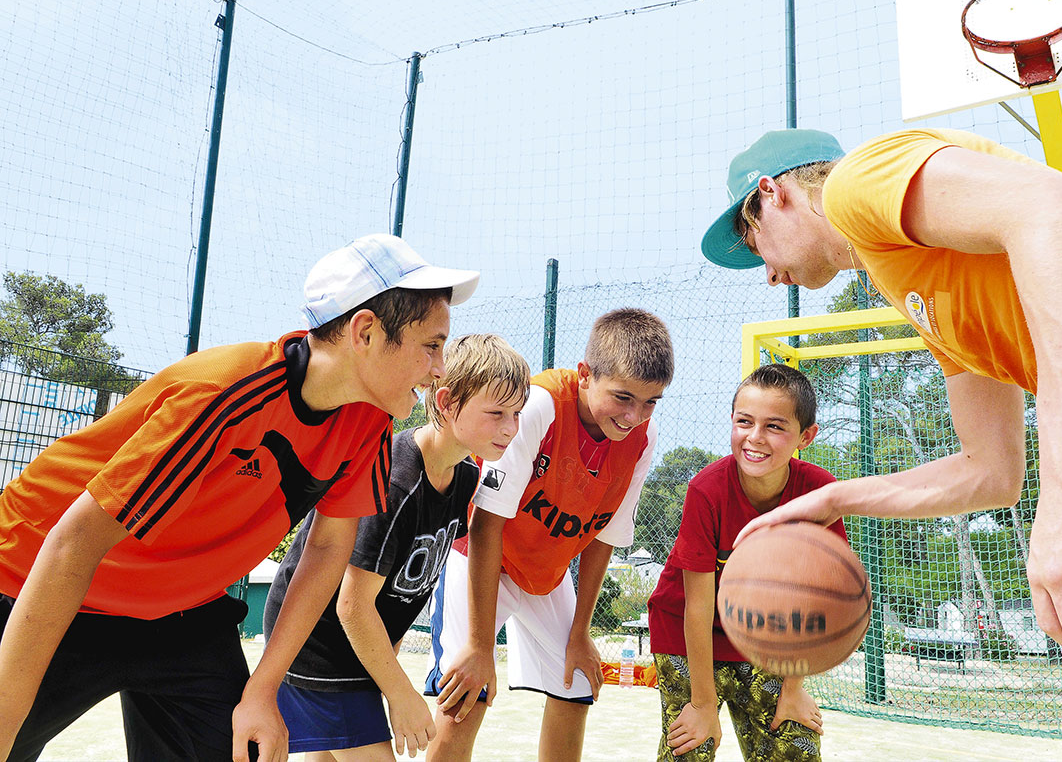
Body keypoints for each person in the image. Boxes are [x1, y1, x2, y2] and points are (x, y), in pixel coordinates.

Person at [701, 127, 1062, 759]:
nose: (767, 274)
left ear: (773, 194)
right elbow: (990, 471)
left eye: (753, 242)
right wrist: (835, 501)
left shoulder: (856, 185)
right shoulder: (913, 279)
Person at [0, 233, 478, 762]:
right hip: (41, 579)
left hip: (181, 610)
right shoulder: (227, 391)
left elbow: (325, 551)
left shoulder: (368, 423)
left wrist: (262, 690)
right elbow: (73, 543)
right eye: (431, 345)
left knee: (240, 749)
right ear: (365, 331)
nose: (440, 367)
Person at [423, 308, 675, 762]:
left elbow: (605, 538)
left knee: (576, 684)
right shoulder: (539, 405)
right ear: (584, 375)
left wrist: (580, 632)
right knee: (467, 696)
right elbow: (486, 523)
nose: (635, 415)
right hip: (480, 559)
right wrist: (481, 647)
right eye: (622, 396)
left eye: (651, 401)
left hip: (545, 573)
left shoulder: (642, 437)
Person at [263, 333, 529, 761]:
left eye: (516, 413)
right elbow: (352, 604)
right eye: (496, 413)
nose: (511, 428)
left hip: (354, 649)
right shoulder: (395, 479)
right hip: (317, 646)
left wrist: (385, 673)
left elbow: (400, 593)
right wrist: (399, 693)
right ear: (444, 402)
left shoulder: (463, 478)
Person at [648, 363, 843, 762]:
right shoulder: (707, 490)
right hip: (687, 634)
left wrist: (793, 689)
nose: (755, 438)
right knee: (691, 746)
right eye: (744, 422)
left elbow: (812, 601)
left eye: (774, 426)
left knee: (794, 745)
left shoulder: (820, 493)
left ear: (806, 436)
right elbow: (698, 608)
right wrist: (703, 705)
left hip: (763, 638)